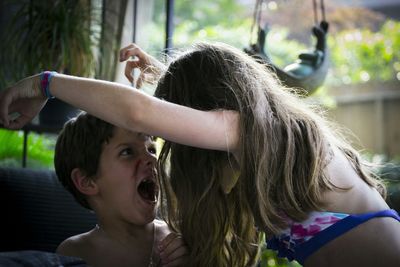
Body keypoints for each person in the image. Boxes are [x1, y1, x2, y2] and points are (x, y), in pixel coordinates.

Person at [1, 42, 400, 267]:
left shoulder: (259, 130)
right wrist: (162, 76)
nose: (157, 152)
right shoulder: (260, 138)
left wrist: (45, 84)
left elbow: (140, 113)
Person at [53, 111, 188, 267]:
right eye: (127, 152)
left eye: (151, 150)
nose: (152, 159)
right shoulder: (75, 252)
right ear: (87, 182)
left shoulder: (181, 238)